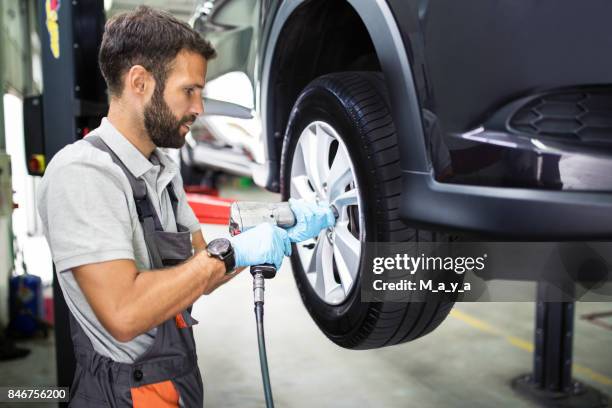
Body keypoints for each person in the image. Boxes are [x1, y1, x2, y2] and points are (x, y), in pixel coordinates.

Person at [36, 6, 334, 407]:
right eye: (189, 91)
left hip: (179, 383)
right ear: (140, 82)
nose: (199, 108)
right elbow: (124, 313)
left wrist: (273, 229)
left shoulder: (163, 168)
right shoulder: (83, 173)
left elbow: (202, 267)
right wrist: (234, 252)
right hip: (123, 394)